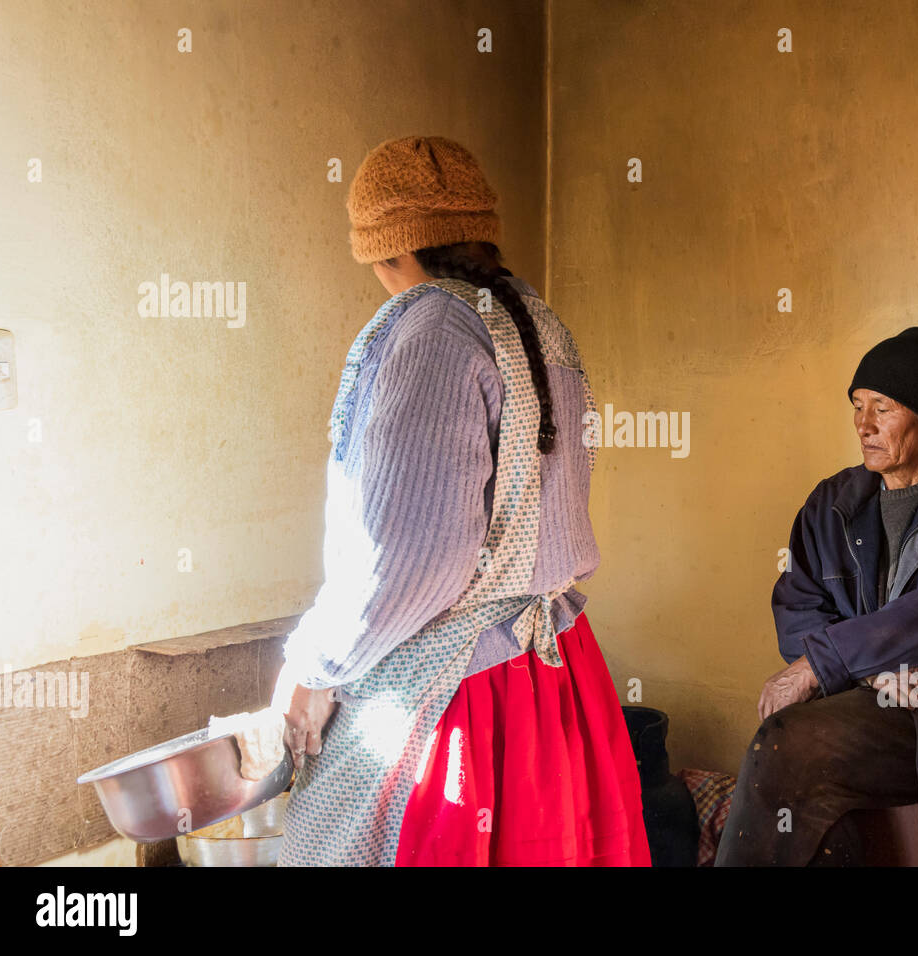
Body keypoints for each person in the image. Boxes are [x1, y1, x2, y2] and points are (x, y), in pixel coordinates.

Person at [272, 135, 650, 866]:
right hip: (557, 677)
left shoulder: (432, 330)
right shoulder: (537, 322)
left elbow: (407, 560)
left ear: (386, 253)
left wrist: (314, 666)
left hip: (467, 699)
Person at [715, 323, 918, 866]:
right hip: (874, 692)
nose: (863, 425)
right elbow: (796, 607)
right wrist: (870, 673)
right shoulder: (832, 501)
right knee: (802, 779)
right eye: (857, 406)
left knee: (790, 746)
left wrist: (824, 666)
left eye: (883, 408)